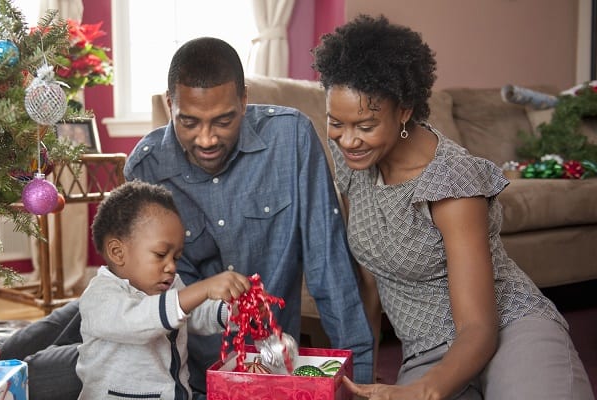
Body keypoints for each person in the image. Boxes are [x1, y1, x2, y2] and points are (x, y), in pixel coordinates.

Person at [312, 15, 594, 400]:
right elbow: (371, 271)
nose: (348, 140)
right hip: (426, 352)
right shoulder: (351, 158)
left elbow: (479, 327)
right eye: (336, 122)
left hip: (508, 328)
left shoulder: (451, 182)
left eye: (365, 125)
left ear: (405, 110)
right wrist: (364, 369)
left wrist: (428, 391)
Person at [123, 36, 374, 394]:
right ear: (169, 106)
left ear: (244, 100)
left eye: (223, 121)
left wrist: (359, 380)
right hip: (187, 374)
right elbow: (146, 297)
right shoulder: (146, 167)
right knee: (79, 325)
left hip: (273, 366)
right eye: (189, 122)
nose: (207, 139)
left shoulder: (292, 139)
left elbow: (329, 265)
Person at [77, 180, 252, 399]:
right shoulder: (100, 297)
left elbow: (192, 313)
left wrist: (234, 311)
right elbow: (140, 321)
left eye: (176, 257)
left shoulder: (170, 285)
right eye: (160, 254)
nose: (171, 266)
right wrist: (203, 288)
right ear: (117, 252)